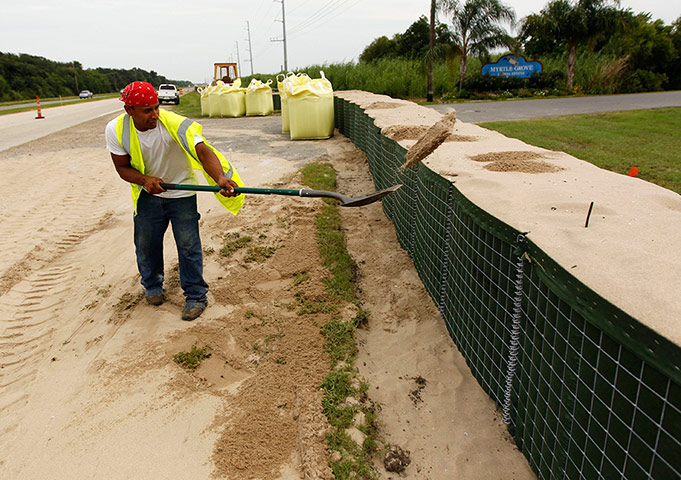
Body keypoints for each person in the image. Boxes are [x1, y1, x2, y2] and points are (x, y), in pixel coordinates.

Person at [105, 81, 244, 321]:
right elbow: (122, 168)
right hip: (149, 195)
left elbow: (203, 150)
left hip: (181, 194)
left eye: (156, 107)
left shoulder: (174, 124)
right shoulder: (116, 130)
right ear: (130, 111)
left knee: (189, 246)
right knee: (146, 244)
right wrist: (144, 180)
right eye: (147, 110)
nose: (155, 114)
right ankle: (152, 285)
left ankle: (196, 295)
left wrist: (219, 177)